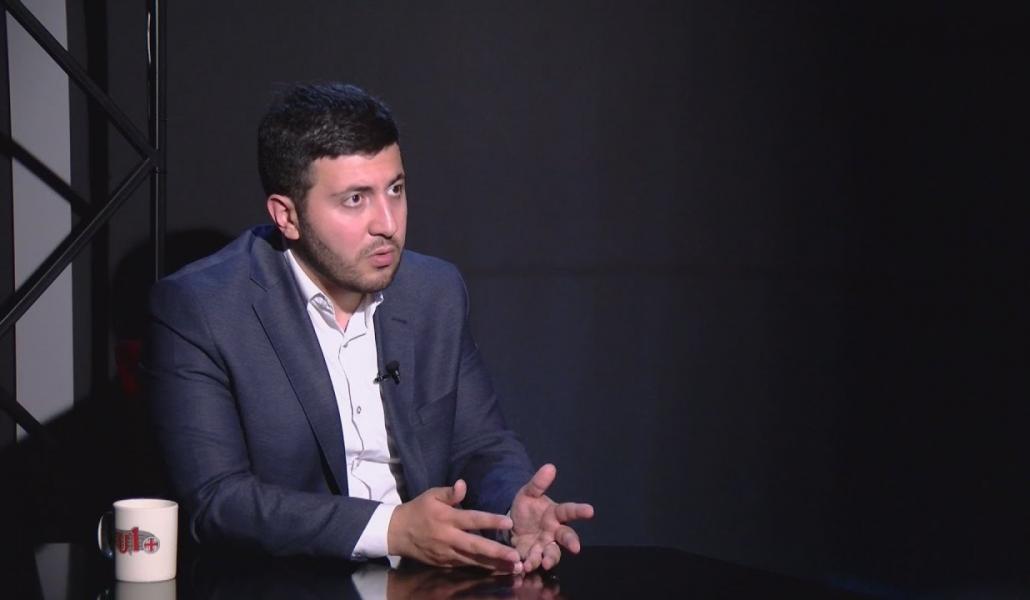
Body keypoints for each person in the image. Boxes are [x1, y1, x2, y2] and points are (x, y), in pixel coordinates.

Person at [143, 82, 593, 574]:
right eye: (355, 199)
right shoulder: (202, 308)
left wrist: (512, 507)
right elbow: (217, 500)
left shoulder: (434, 291)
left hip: (425, 580)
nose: (387, 224)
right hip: (288, 582)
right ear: (286, 216)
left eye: (395, 189)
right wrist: (392, 529)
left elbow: (479, 444)